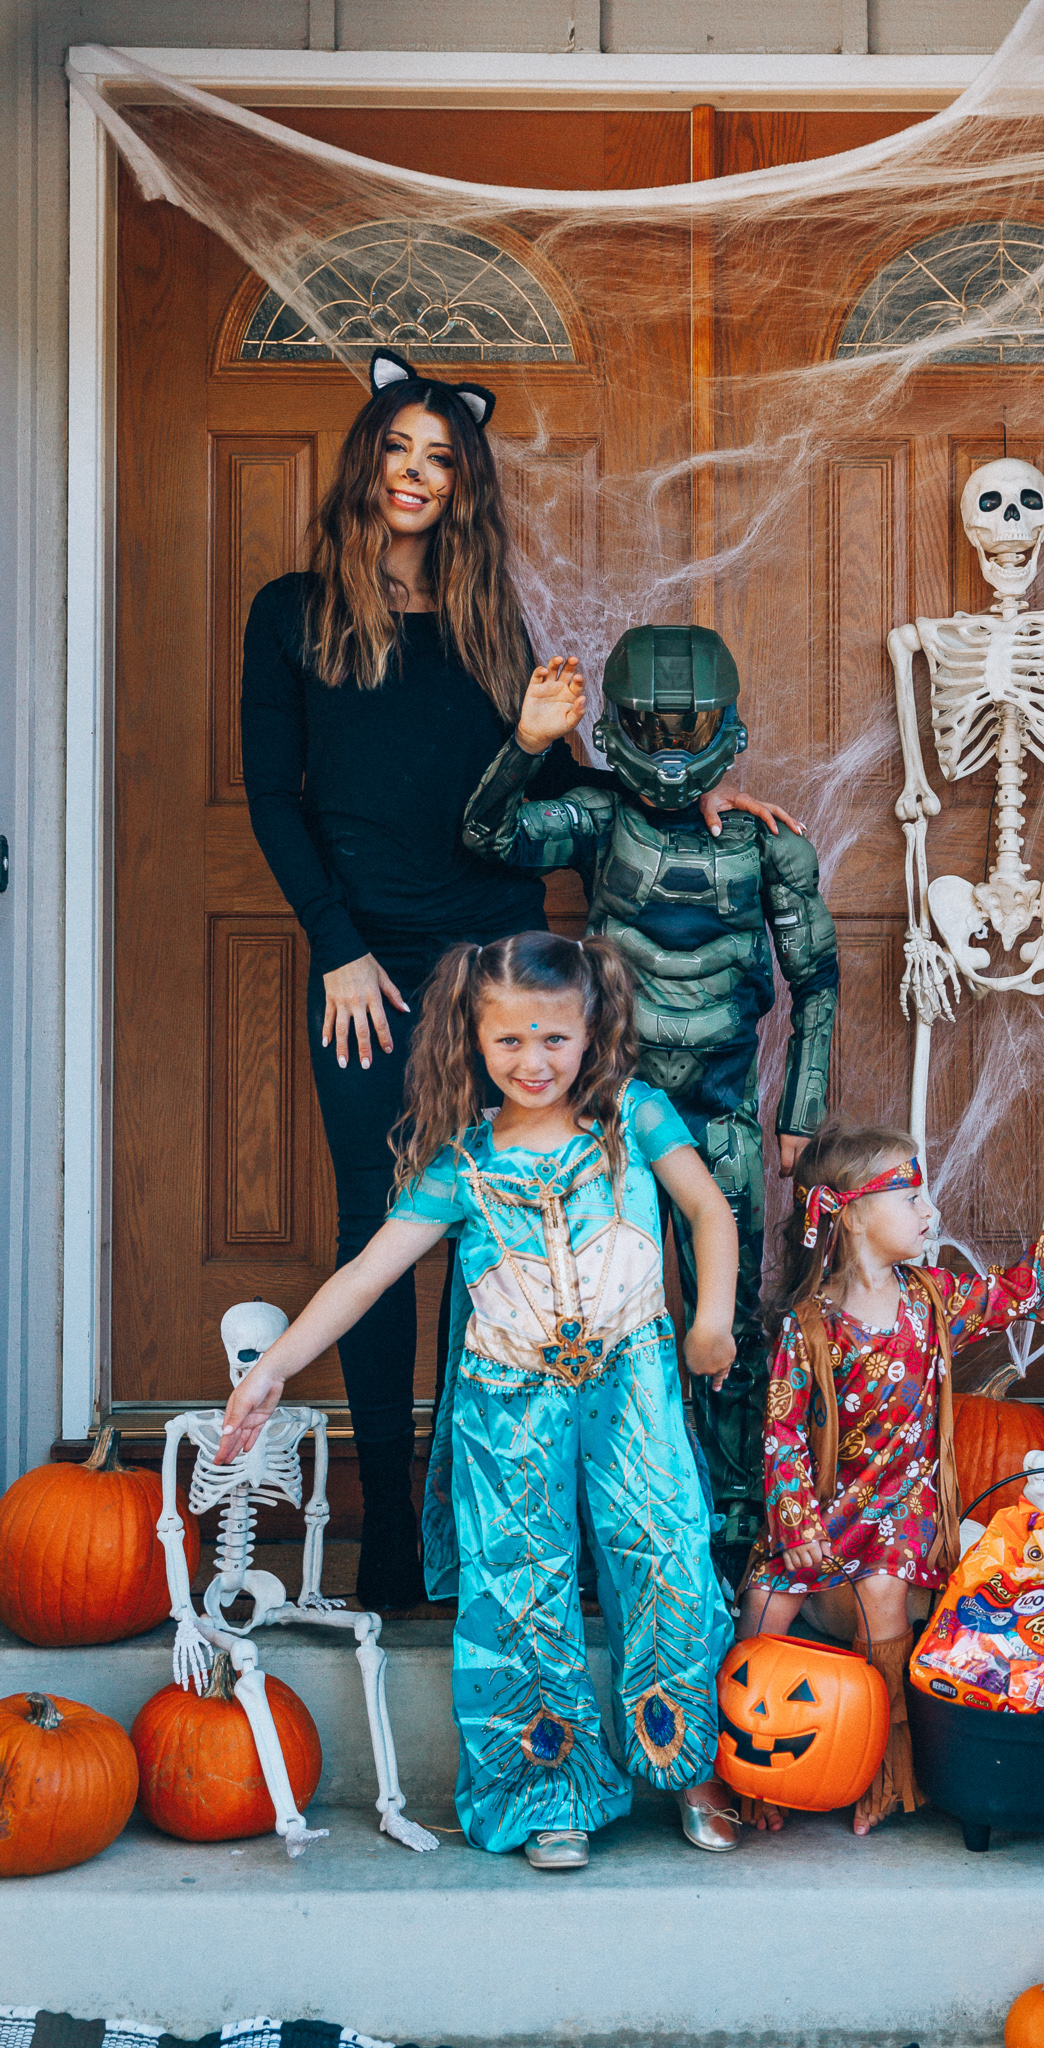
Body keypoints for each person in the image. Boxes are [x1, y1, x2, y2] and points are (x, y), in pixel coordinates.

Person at [240, 349, 796, 1607]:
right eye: (399, 450)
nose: (416, 476)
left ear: (464, 484)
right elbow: (275, 800)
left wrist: (686, 795)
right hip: (366, 971)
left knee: (500, 1234)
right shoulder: (292, 613)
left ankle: (466, 1510)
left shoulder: (494, 623)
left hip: (495, 964)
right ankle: (388, 1525)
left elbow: (546, 789)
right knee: (380, 1229)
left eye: (441, 459)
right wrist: (333, 942)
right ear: (366, 461)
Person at [217, 929, 743, 1869]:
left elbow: (707, 1209)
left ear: (592, 1033)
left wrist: (712, 1319)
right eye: (509, 1042)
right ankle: (550, 1790)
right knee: (521, 1591)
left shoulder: (634, 1116)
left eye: (553, 1039)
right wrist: (274, 1368)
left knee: (665, 1556)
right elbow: (365, 1275)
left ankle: (689, 1765)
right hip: (510, 1410)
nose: (533, 1062)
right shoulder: (461, 1162)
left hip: (632, 1385)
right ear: (472, 1039)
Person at [460, 625, 838, 1593]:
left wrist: (799, 1107)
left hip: (720, 1112)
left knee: (733, 1321)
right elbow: (487, 831)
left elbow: (817, 979)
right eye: (650, 724)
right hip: (608, 1123)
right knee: (599, 1319)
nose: (672, 746)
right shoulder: (594, 820)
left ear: (728, 726)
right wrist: (532, 740)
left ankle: (736, 1519)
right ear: (619, 726)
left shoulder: (765, 847)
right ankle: (608, 1519)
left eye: (691, 724)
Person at [741, 1117, 1044, 1834]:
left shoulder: (929, 1301)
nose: (929, 1212)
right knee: (765, 1599)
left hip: (902, 1507)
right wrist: (794, 1527)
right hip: (825, 1507)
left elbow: (1016, 1293)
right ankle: (758, 1777)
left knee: (883, 1591)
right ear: (851, 1213)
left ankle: (884, 1771)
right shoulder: (811, 1324)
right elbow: (784, 1433)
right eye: (911, 1196)